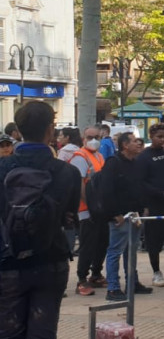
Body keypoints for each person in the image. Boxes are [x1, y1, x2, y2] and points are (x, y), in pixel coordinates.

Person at [0, 101, 81, 339]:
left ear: (16, 131)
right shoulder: (67, 173)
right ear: (51, 129)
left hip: (6, 268)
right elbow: (70, 220)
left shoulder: (2, 169)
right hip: (50, 265)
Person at [101, 132, 153, 301]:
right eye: (134, 141)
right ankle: (113, 288)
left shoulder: (135, 163)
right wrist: (115, 214)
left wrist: (143, 207)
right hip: (120, 216)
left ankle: (132, 282)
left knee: (131, 251)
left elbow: (140, 186)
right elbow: (106, 190)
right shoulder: (113, 163)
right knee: (115, 251)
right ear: (124, 145)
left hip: (135, 215)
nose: (138, 144)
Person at [136, 123, 164, 287]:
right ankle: (156, 272)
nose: (162, 140)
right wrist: (159, 193)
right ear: (151, 137)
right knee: (154, 240)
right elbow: (141, 183)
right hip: (154, 203)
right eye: (159, 137)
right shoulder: (144, 157)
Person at [70, 126, 110, 296]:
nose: (93, 140)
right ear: (83, 138)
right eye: (89, 137)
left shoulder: (99, 156)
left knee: (102, 242)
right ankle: (81, 279)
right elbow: (80, 186)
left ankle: (95, 274)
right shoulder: (80, 157)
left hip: (99, 208)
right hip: (86, 209)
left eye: (96, 137)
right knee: (87, 245)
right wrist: (92, 206)